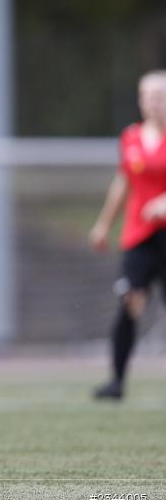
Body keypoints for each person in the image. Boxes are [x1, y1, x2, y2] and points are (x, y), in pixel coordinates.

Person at [90, 70, 166, 401]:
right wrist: (104, 225)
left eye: (159, 97)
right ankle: (117, 381)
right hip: (140, 235)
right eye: (146, 96)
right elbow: (123, 183)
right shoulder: (131, 137)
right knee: (129, 301)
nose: (152, 103)